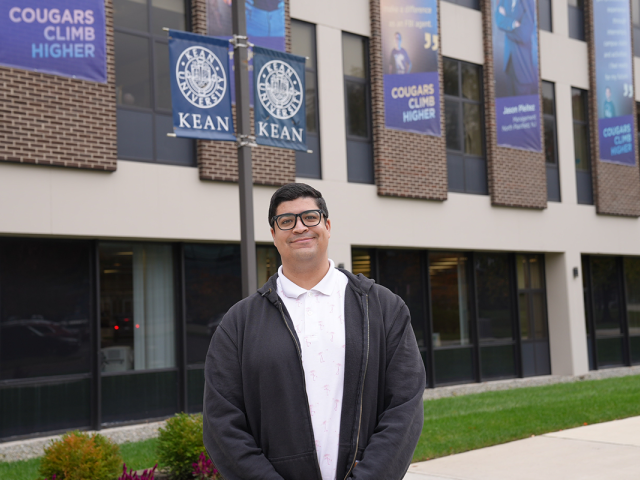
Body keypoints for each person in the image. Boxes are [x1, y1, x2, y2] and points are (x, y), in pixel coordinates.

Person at [203, 183, 426, 480]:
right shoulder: (239, 323)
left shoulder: (384, 308)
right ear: (273, 234)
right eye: (286, 221)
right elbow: (222, 423)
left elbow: (404, 407)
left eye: (310, 217)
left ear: (327, 225)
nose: (300, 227)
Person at [495, 0, 537, 96]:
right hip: (509, 63)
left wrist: (506, 26)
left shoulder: (528, 2)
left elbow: (524, 35)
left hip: (522, 67)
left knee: (523, 105)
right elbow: (498, 19)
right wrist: (514, 23)